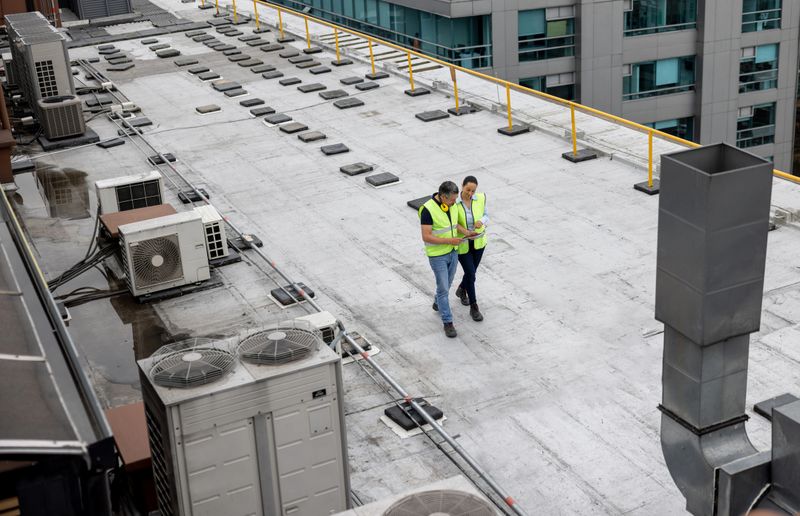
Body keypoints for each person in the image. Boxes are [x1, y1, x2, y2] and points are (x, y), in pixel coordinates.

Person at [419, 181, 475, 338]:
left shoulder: (452, 205)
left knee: (448, 284)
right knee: (443, 288)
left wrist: (466, 232)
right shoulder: (428, 210)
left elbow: (454, 225)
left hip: (453, 252)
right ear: (443, 197)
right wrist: (450, 241)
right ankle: (448, 322)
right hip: (437, 256)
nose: (454, 203)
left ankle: (438, 302)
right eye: (451, 200)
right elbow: (426, 236)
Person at [455, 175, 487, 321]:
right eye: (468, 190)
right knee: (471, 274)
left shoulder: (480, 198)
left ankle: (462, 289)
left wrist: (481, 221)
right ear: (462, 186)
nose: (470, 193)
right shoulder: (454, 202)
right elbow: (453, 223)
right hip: (463, 243)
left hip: (479, 242)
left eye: (473, 191)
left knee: (471, 272)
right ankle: (474, 307)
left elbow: (486, 215)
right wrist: (466, 232)